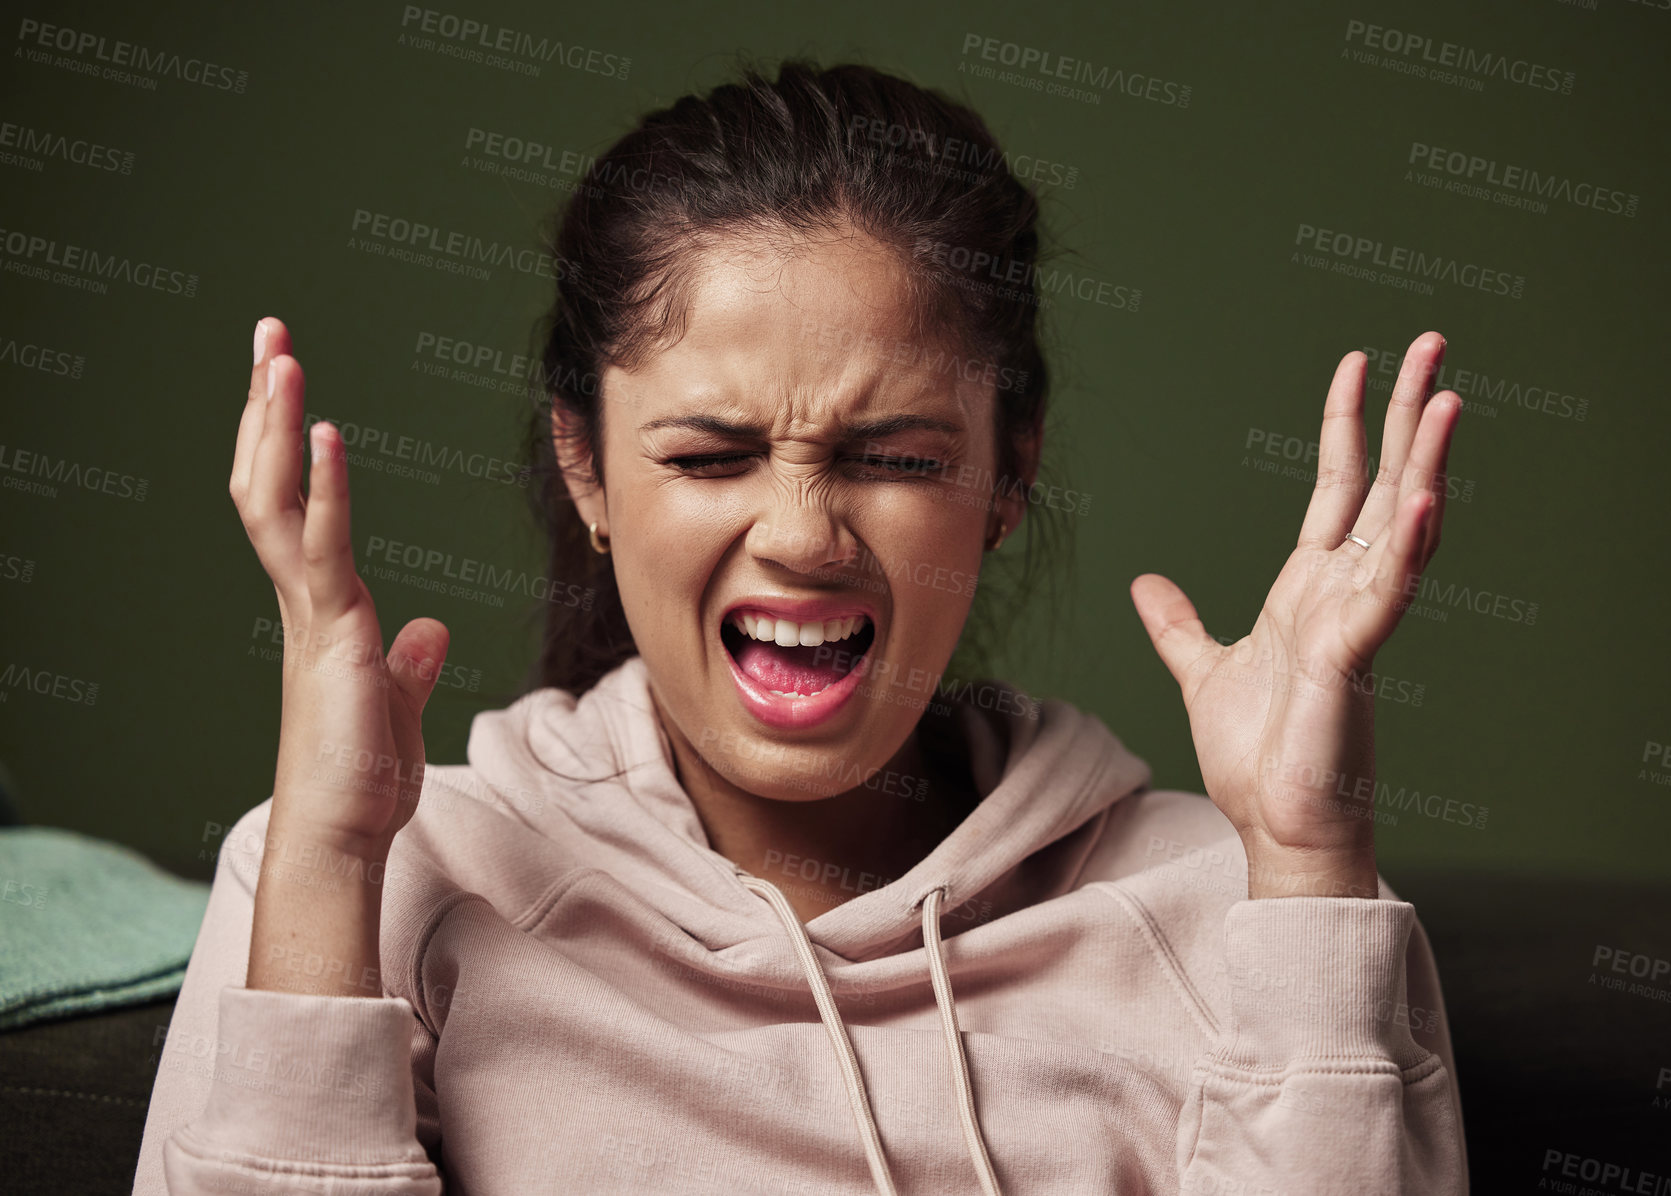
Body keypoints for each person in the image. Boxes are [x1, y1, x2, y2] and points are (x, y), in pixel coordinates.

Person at [133, 59, 1468, 1194]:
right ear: (587, 470)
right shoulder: (375, 870)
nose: (801, 534)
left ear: (1007, 479)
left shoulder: (1236, 905)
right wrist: (320, 862)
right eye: (710, 455)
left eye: (894, 457)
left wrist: (1306, 861)